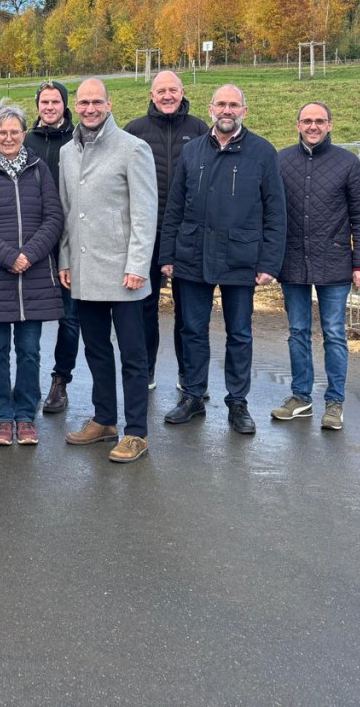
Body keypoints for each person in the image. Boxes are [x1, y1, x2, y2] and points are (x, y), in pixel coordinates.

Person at [160, 85, 286, 435]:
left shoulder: (262, 152)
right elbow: (174, 207)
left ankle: (238, 402)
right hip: (192, 256)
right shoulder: (192, 151)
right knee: (193, 331)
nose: (226, 110)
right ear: (210, 108)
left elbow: (276, 211)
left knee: (240, 333)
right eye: (221, 104)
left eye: (234, 105)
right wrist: (167, 254)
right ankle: (194, 396)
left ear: (244, 110)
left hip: (241, 258)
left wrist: (269, 262)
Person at [59, 79, 157, 463]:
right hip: (84, 270)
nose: (90, 108)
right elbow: (67, 211)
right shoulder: (68, 151)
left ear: (109, 104)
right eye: (83, 102)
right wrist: (65, 260)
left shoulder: (133, 148)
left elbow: (145, 213)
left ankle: (136, 432)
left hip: (123, 271)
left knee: (134, 354)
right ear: (76, 107)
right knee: (96, 349)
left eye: (96, 101)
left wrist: (138, 265)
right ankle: (104, 419)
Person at [0, 105, 64, 446]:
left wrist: (29, 255)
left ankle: (25, 415)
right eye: (2, 132)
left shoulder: (38, 170)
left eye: (15, 132)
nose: (8, 138)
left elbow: (53, 217)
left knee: (30, 350)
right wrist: (9, 257)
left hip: (32, 276)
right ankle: (3, 417)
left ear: (24, 133)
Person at [271, 102, 360, 431]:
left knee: (335, 334)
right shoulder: (281, 161)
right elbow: (271, 213)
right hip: (292, 260)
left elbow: (359, 215)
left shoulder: (349, 163)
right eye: (307, 121)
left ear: (330, 124)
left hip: (334, 259)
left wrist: (359, 262)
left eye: (319, 121)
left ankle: (334, 401)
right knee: (297, 332)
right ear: (297, 125)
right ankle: (301, 397)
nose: (313, 126)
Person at [124, 71, 207, 391]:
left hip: (188, 234)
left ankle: (188, 375)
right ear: (152, 93)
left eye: (173, 90)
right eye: (162, 91)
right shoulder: (135, 130)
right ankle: (146, 370)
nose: (168, 96)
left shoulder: (200, 129)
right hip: (146, 232)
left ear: (183, 91)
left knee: (188, 309)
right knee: (145, 305)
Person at [24, 81, 80, 414]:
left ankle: (60, 380)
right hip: (33, 241)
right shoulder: (26, 141)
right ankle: (25, 381)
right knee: (27, 315)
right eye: (44, 101)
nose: (49, 106)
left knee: (69, 318)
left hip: (70, 240)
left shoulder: (77, 140)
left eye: (55, 101)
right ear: (38, 106)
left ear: (64, 104)